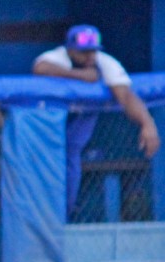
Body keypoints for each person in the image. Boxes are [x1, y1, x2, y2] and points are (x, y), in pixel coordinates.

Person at [32, 24, 160, 222]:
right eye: (84, 52)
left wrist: (147, 123)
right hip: (45, 133)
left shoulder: (105, 63)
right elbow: (40, 68)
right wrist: (81, 76)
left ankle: (63, 216)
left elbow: (126, 96)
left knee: (69, 173)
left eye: (93, 51)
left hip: (74, 136)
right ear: (70, 49)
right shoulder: (58, 57)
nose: (90, 57)